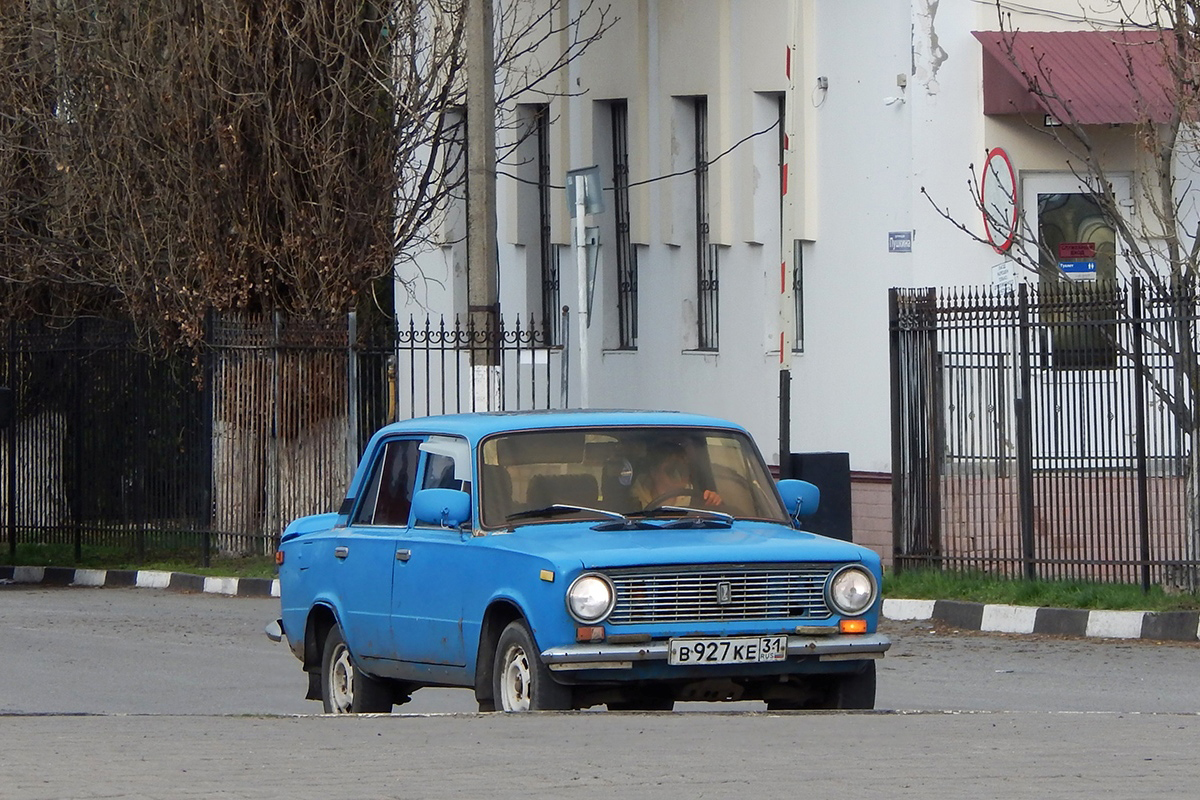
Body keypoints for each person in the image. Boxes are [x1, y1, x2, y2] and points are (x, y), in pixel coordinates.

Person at [633, 441, 723, 509]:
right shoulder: (634, 502)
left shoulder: (697, 500)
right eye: (671, 470)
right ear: (654, 472)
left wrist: (713, 500)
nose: (679, 477)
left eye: (682, 470)